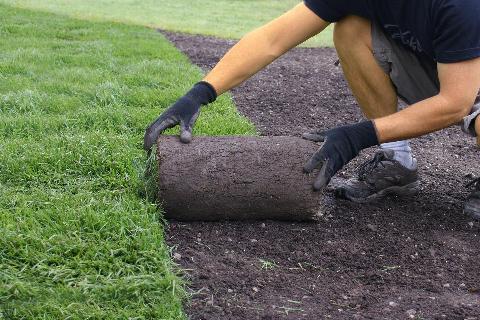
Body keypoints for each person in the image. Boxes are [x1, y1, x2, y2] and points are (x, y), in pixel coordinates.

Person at [144, 1, 480, 219]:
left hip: (465, 83)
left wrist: (359, 136)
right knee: (351, 29)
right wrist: (201, 92)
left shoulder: (460, 6)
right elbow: (272, 39)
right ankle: (398, 161)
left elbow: (455, 103)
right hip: (444, 66)